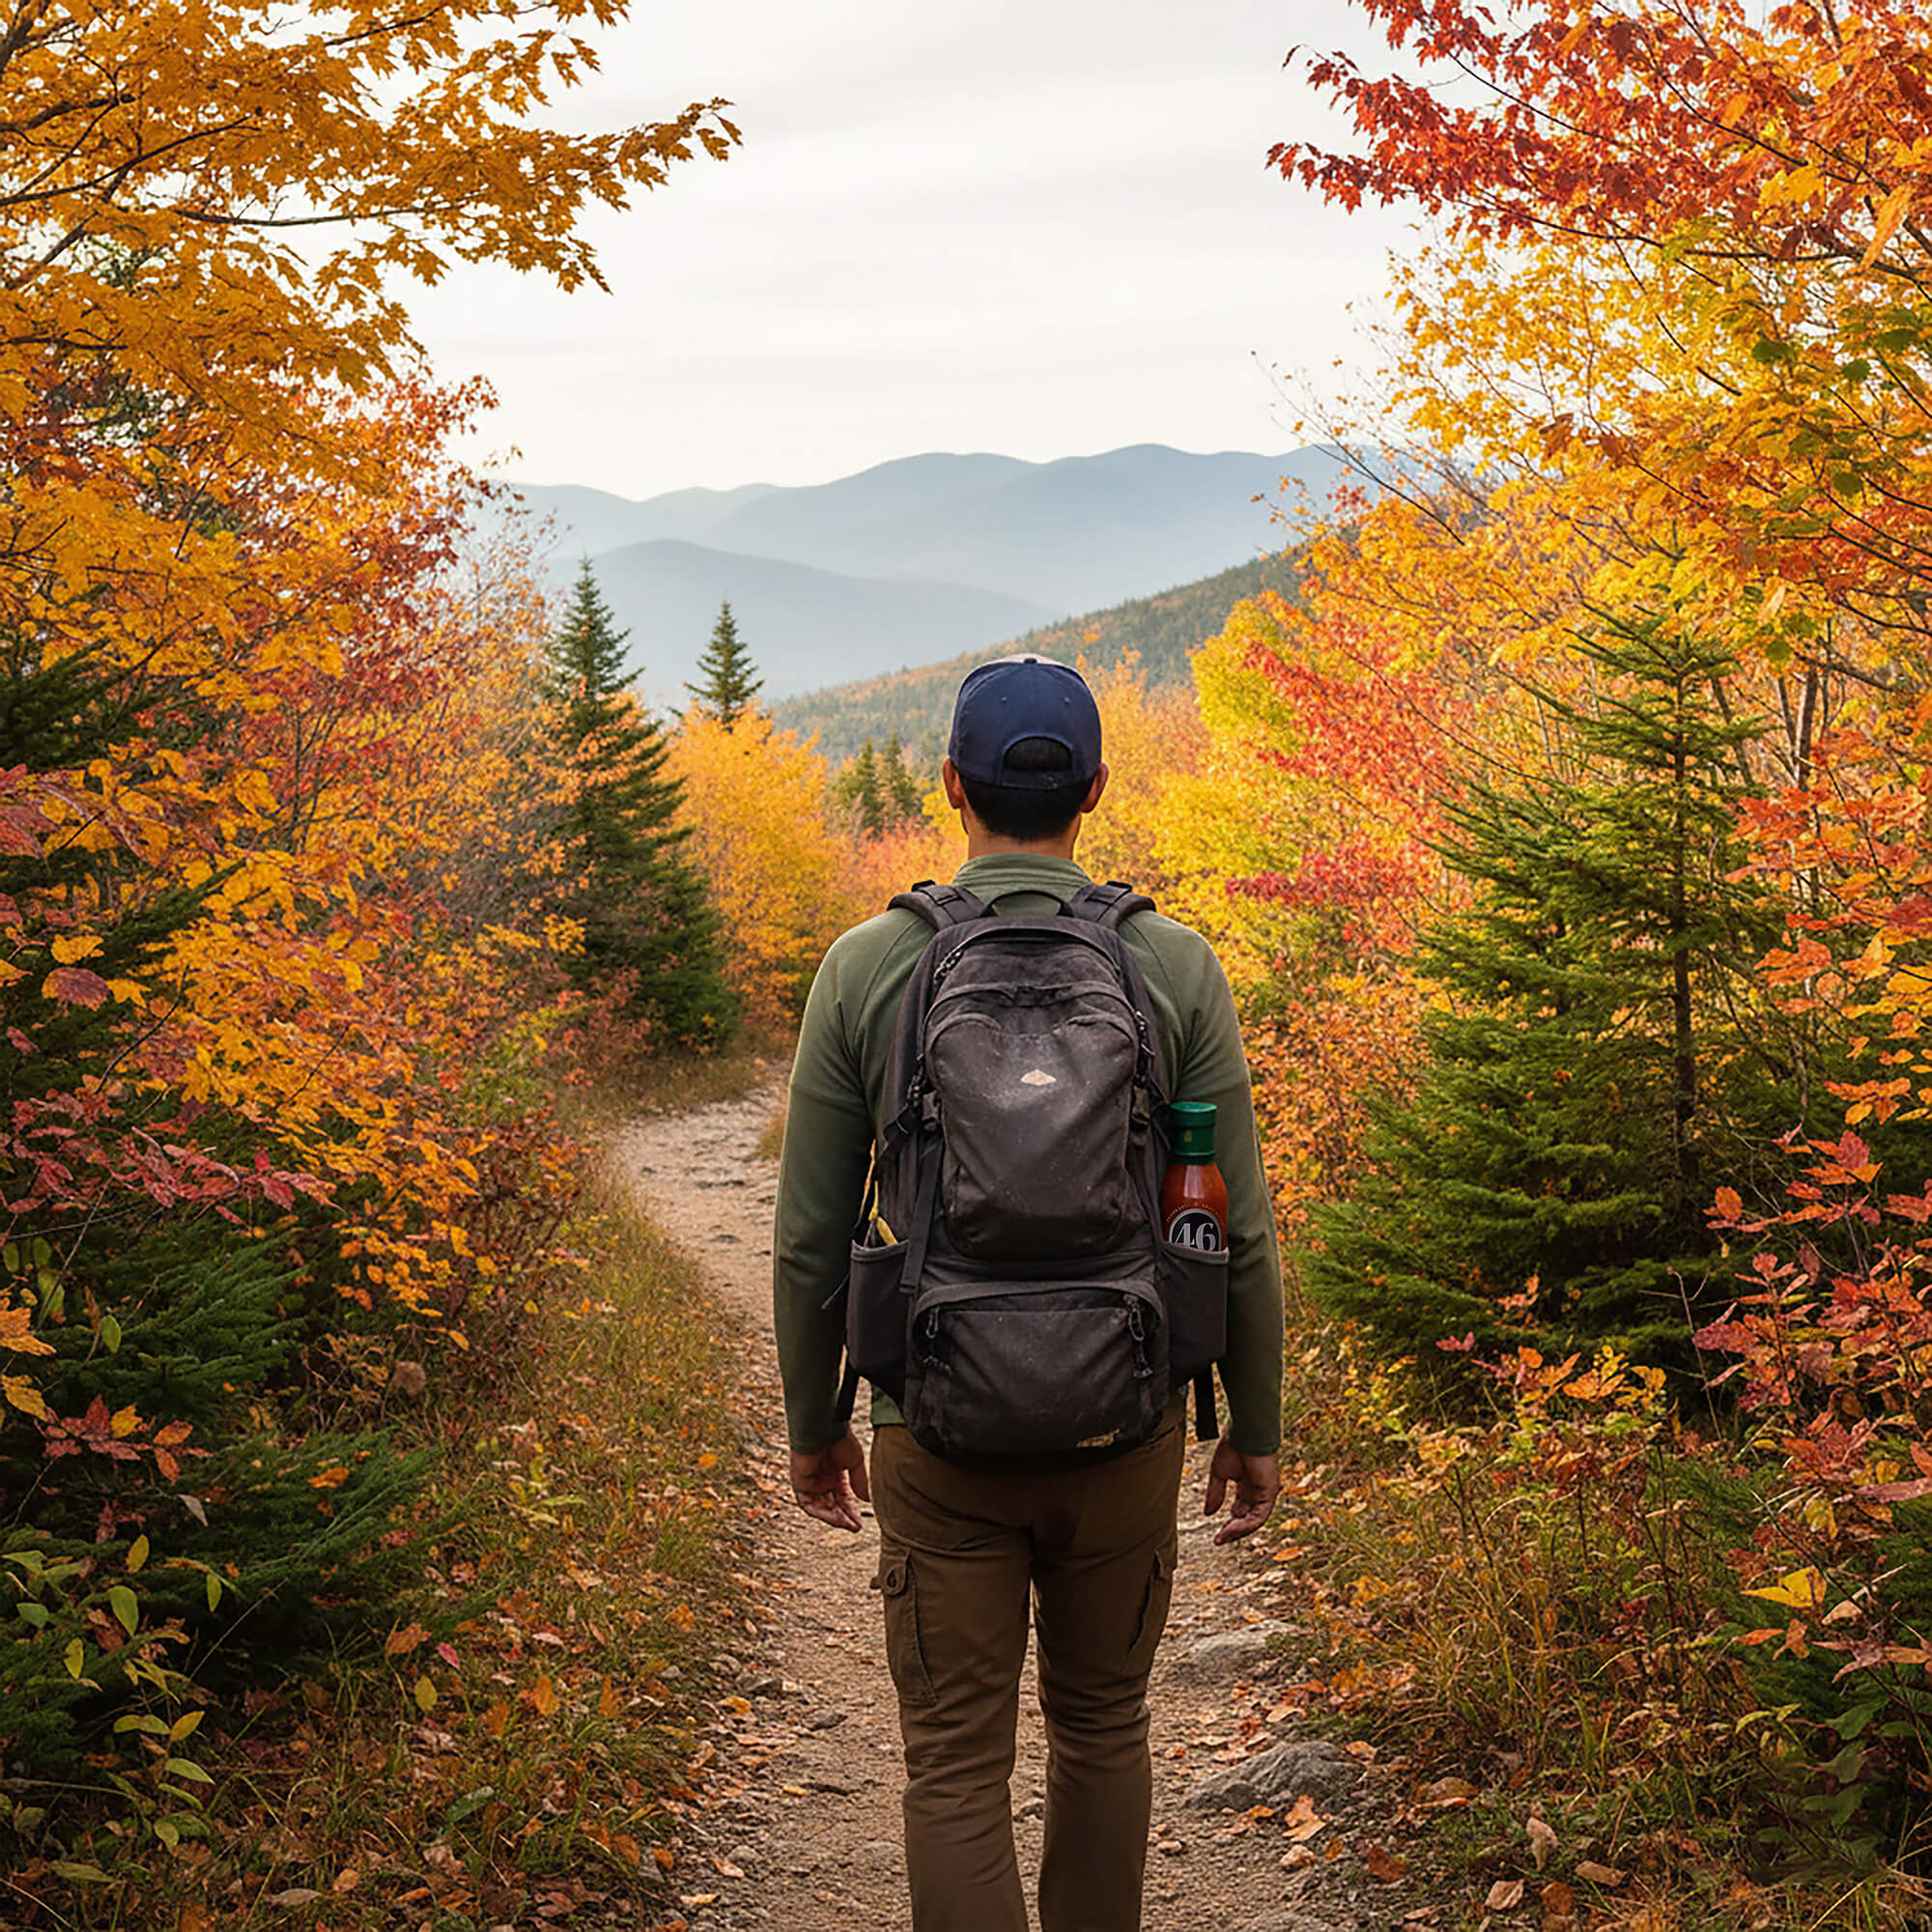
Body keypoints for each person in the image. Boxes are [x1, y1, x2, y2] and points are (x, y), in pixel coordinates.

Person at [772, 655, 1284, 1932]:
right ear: (1096, 790)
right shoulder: (1172, 965)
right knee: (1105, 1729)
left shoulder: (866, 966)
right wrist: (1254, 1428)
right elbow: (1244, 1229)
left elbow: (807, 1237)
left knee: (953, 1764)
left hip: (937, 1429)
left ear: (951, 784)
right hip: (1127, 1419)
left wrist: (811, 1424)